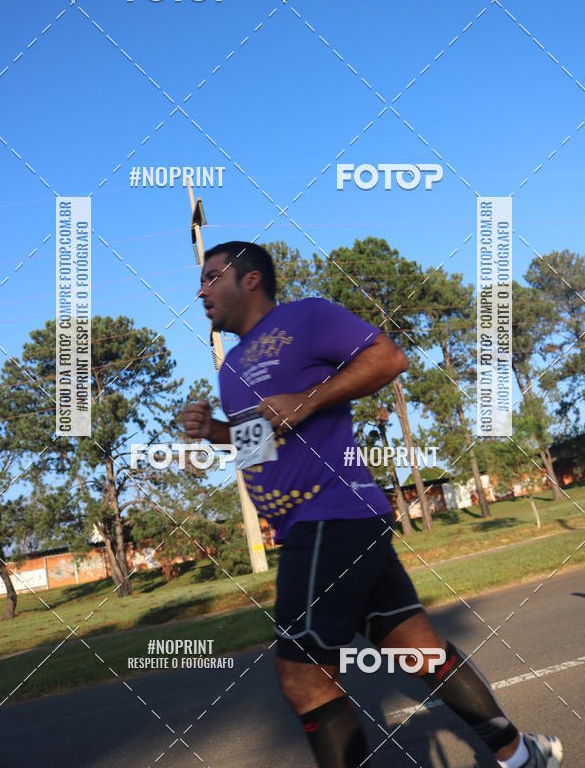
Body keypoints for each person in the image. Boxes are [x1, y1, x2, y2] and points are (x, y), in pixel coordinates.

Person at [182, 241, 564, 768]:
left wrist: (309, 399)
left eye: (210, 276)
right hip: (321, 526)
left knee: (302, 676)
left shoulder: (305, 318)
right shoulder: (231, 370)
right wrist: (214, 432)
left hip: (331, 516)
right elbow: (261, 442)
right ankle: (521, 756)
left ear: (249, 279)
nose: (200, 290)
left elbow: (388, 357)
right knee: (421, 650)